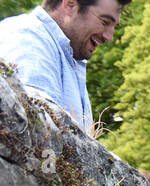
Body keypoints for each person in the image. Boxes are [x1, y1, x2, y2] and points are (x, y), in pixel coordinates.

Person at [0, 0, 128, 133]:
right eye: (105, 22)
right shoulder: (28, 39)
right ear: (70, 5)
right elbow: (36, 133)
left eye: (114, 26)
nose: (109, 37)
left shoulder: (68, 56)